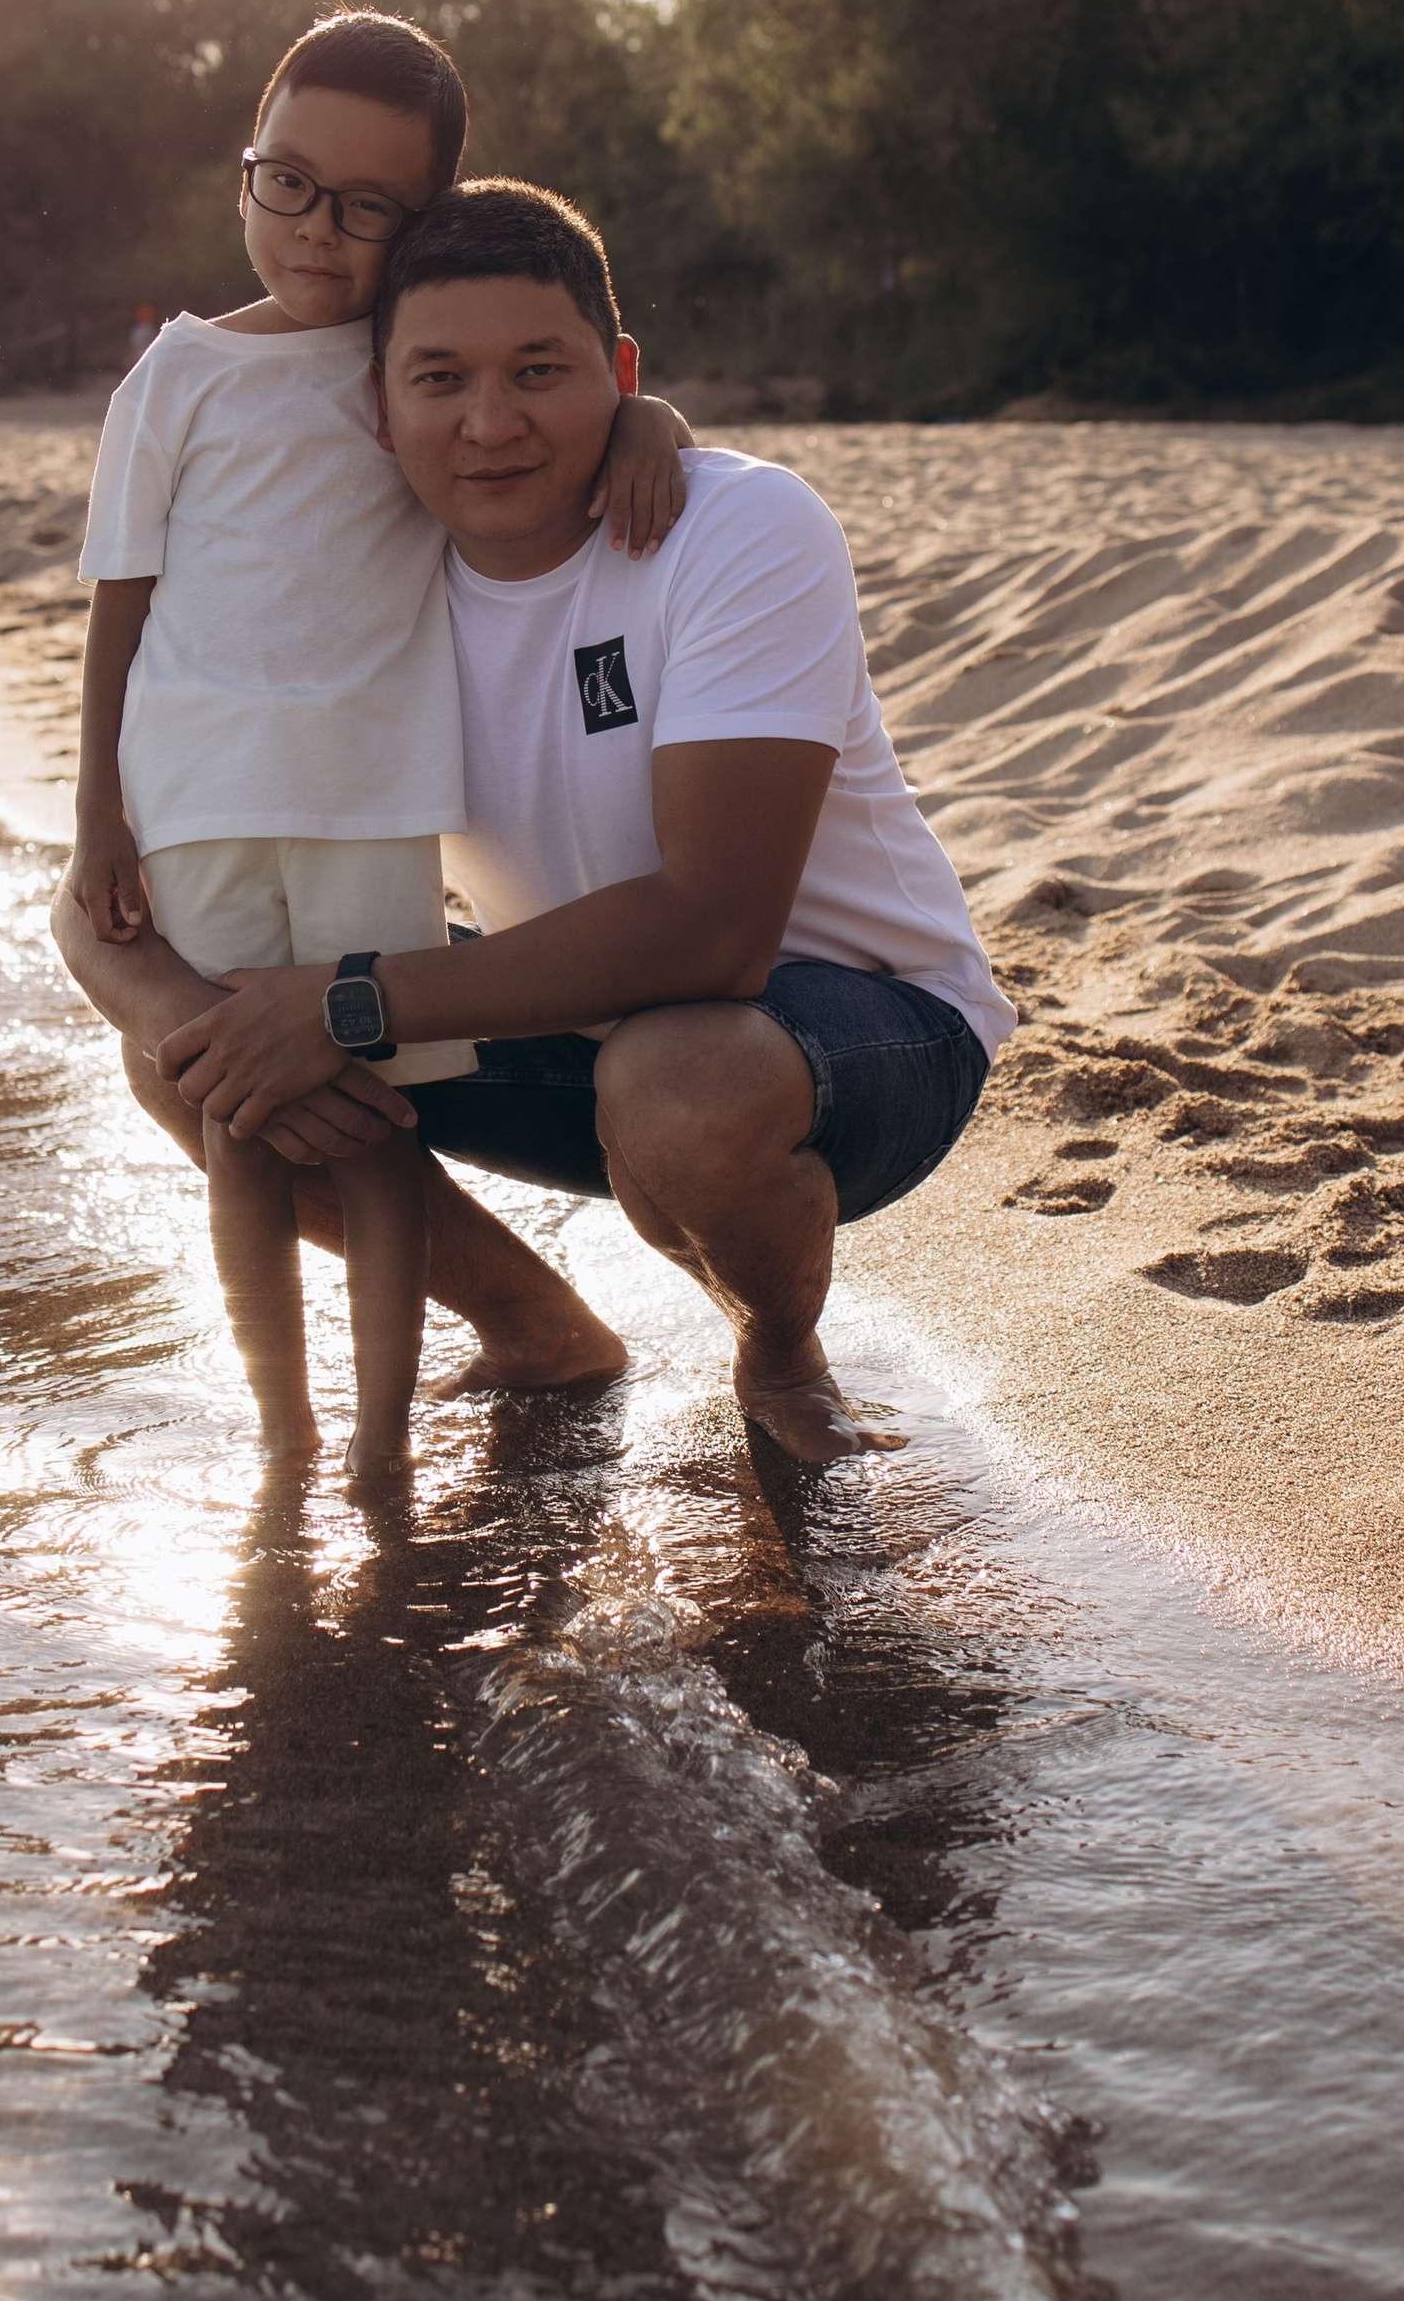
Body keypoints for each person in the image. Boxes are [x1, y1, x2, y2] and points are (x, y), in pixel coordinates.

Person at [148, 181, 1018, 1463]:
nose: (491, 424)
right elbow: (124, 852)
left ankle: (777, 1351)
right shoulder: (359, 582)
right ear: (376, 407)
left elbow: (715, 934)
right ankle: (538, 1327)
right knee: (192, 1059)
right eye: (439, 379)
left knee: (675, 1079)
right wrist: (196, 1005)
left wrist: (343, 1004)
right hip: (583, 1026)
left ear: (618, 373)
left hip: (865, 1028)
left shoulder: (735, 527)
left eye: (539, 372)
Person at [64, 18, 690, 1476]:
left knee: (374, 1113)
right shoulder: (178, 375)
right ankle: (284, 1430)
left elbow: (557, 393)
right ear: (244, 180)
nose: (318, 231)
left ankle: (381, 1435)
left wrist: (647, 416)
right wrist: (97, 810)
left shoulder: (413, 370)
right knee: (234, 1100)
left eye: (366, 208)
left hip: (368, 797)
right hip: (198, 790)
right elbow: (118, 601)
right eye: (289, 184)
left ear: (420, 231)